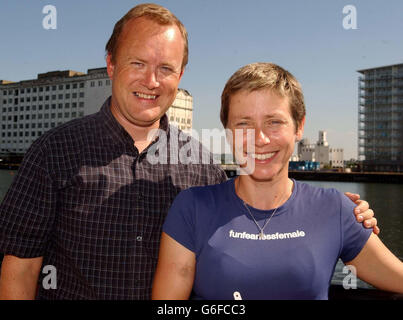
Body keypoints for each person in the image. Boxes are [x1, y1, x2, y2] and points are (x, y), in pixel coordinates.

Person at [0, 4, 376, 300]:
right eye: (137, 63)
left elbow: (253, 223)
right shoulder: (53, 152)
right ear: (111, 63)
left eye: (166, 68)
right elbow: (20, 269)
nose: (151, 81)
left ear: (179, 77)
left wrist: (339, 213)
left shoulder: (200, 166)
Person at [152, 62, 403, 300]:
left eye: (274, 122)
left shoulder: (336, 210)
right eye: (243, 123)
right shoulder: (192, 208)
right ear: (228, 132)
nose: (260, 139)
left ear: (299, 126)